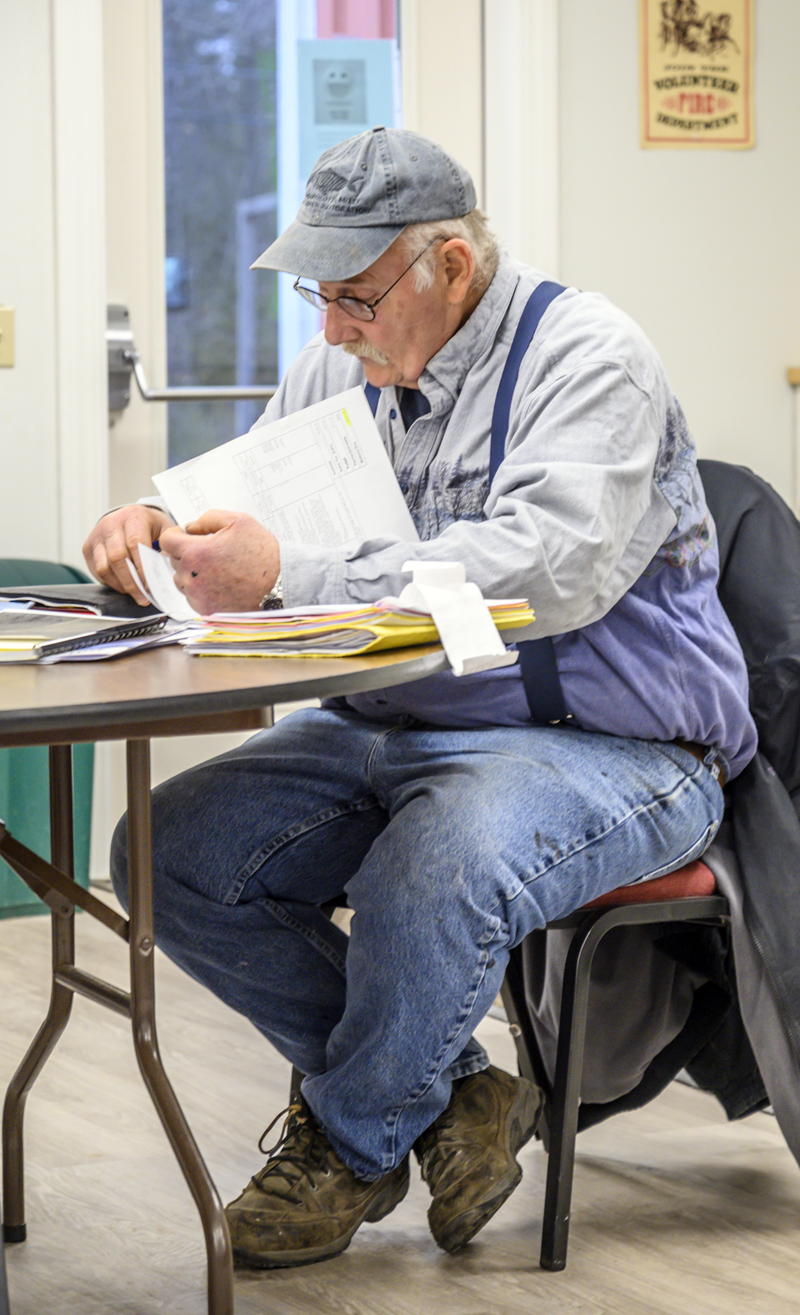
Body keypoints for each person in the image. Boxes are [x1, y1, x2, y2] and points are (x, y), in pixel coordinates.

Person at [83, 127, 757, 1271]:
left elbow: (546, 573)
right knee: (167, 847)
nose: (329, 329)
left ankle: (345, 1147)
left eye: (352, 296)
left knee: (434, 855)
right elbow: (254, 530)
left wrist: (284, 572)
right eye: (317, 294)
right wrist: (165, 539)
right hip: (398, 720)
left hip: (617, 746)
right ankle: (453, 1098)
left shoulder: (586, 356)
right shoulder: (331, 369)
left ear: (449, 262)